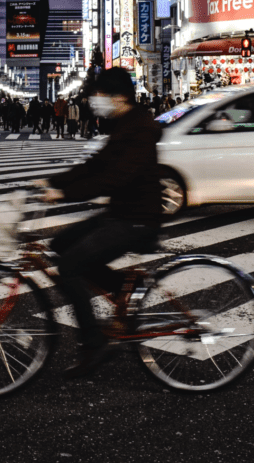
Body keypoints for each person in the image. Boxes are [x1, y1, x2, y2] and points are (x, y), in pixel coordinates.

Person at [35, 68, 162, 378]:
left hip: (138, 219)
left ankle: (94, 344)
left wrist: (63, 193)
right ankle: (121, 287)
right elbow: (96, 165)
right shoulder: (124, 123)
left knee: (71, 267)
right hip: (121, 213)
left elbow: (114, 177)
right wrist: (52, 180)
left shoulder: (140, 128)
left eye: (100, 96)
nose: (95, 101)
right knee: (60, 244)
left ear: (119, 97)